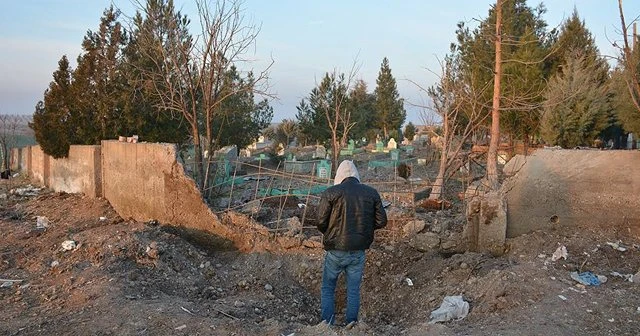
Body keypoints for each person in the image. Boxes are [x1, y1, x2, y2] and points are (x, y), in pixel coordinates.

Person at [316, 160, 387, 327]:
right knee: (353, 289)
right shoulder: (371, 193)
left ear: (339, 176)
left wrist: (332, 231)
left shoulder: (330, 193)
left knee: (328, 288)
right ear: (356, 175)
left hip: (335, 250)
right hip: (358, 250)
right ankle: (352, 323)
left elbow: (320, 221)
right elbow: (382, 221)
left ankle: (327, 324)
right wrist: (365, 230)